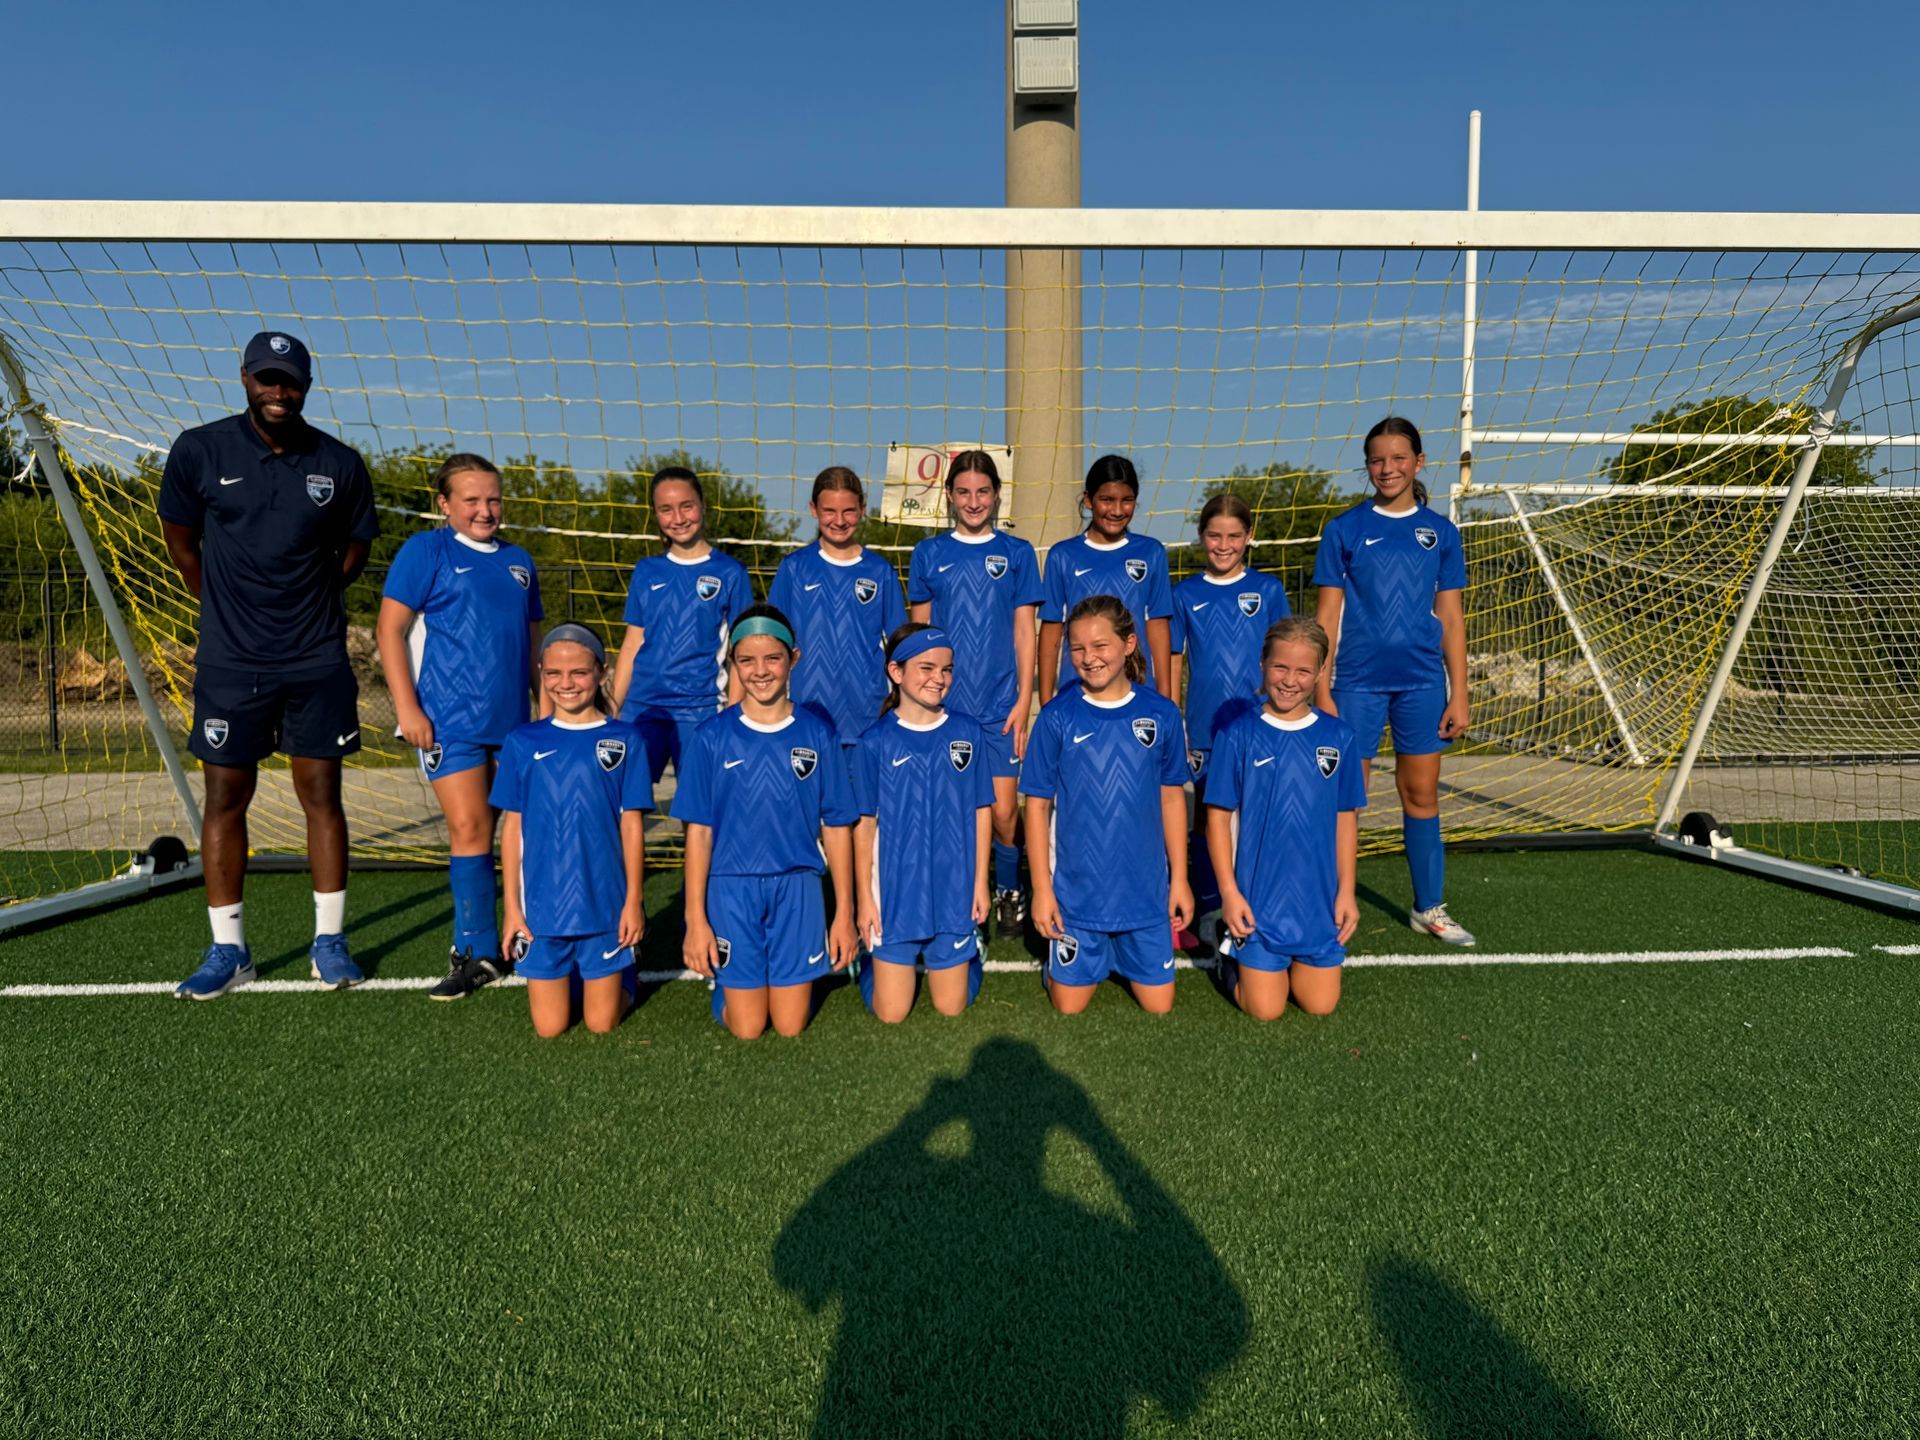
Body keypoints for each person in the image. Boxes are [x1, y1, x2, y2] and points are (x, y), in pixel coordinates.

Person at [159, 331, 379, 1000]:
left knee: (322, 796)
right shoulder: (199, 450)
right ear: (245, 377)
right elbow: (183, 545)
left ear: (307, 386)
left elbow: (356, 551)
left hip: (315, 659)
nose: (277, 392)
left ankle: (329, 943)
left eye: (289, 381)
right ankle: (230, 951)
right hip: (231, 662)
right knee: (227, 799)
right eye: (266, 379)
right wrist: (232, 610)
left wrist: (306, 604)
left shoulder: (339, 462)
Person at [377, 453, 544, 1001]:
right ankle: (472, 951)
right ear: (444, 503)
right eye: (470, 500)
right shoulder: (427, 551)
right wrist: (409, 709)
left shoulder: (520, 561)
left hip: (516, 724)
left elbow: (536, 646)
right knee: (471, 830)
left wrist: (546, 713)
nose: (484, 509)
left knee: (519, 834)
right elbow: (390, 631)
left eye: (493, 499)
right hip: (450, 721)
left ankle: (526, 936)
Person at [1313, 417, 1474, 946]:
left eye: (1399, 458)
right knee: (1343, 797)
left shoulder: (1440, 533)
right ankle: (1327, 905)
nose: (1388, 468)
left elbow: (1451, 619)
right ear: (1368, 466)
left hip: (1423, 685)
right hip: (1355, 684)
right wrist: (1321, 689)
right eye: (1378, 460)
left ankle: (1429, 906)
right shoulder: (1344, 530)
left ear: (1419, 463)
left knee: (1421, 794)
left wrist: (1460, 693)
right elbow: (1326, 619)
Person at [676, 606, 859, 1039]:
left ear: (793, 658)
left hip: (797, 887)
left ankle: (772, 971)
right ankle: (729, 986)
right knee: (749, 1027)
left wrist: (844, 913)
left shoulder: (817, 734)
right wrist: (695, 919)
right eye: (747, 660)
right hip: (731, 887)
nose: (760, 671)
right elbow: (698, 833)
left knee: (791, 1025)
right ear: (732, 664)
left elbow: (836, 825)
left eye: (772, 659)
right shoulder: (710, 737)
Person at [1022, 595, 1193, 1016]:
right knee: (1068, 1007)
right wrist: (1042, 892)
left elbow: (1172, 798)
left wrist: (1180, 880)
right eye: (1077, 648)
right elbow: (1038, 806)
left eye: (1101, 646)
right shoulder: (1057, 717)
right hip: (1078, 899)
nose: (1088, 658)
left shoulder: (1162, 714)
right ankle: (1077, 958)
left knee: (1159, 1006)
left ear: (1129, 644)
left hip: (1144, 897)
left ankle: (1126, 950)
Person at [492, 624, 651, 1038]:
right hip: (543, 909)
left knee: (601, 1024)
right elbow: (512, 829)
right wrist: (512, 907)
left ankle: (622, 977)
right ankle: (581, 974)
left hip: (605, 906)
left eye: (579, 673)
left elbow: (631, 826)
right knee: (550, 1028)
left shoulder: (625, 739)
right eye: (553, 674)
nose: (566, 683)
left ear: (602, 673)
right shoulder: (523, 741)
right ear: (541, 673)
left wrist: (634, 900)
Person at [1204, 617, 1366, 1020]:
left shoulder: (1339, 737)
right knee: (1265, 1010)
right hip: (1258, 905)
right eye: (1280, 667)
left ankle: (1291, 961)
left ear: (1320, 672)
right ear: (1263, 663)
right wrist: (1228, 892)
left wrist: (1347, 891)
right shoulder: (1237, 734)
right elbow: (1218, 817)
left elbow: (1346, 819)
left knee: (1320, 1005)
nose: (1289, 680)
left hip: (1317, 904)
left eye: (1303, 670)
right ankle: (1229, 954)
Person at [905, 451, 1040, 936]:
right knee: (949, 811)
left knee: (1005, 812)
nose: (974, 501)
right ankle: (959, 892)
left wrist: (1025, 700)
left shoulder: (1018, 553)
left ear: (997, 495)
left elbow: (1025, 633)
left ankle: (1008, 889)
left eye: (983, 491)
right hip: (945, 707)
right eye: (963, 492)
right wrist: (918, 698)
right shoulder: (930, 553)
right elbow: (917, 633)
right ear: (949, 496)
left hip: (1000, 706)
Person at [851, 625, 998, 1023]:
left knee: (951, 1007)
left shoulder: (967, 732)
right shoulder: (873, 742)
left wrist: (981, 882)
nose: (940, 679)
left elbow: (981, 809)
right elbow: (864, 826)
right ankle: (869, 962)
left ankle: (972, 949)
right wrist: (864, 899)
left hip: (953, 890)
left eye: (947, 670)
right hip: (896, 896)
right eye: (927, 668)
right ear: (896, 672)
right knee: (892, 1013)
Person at [1167, 492, 1291, 935]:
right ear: (1201, 537)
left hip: (1260, 727)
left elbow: (1285, 657)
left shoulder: (1268, 590)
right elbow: (1175, 661)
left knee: (1260, 815)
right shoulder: (1184, 594)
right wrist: (1175, 721)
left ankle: (1260, 905)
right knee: (1206, 818)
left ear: (1249, 537)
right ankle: (1209, 909)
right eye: (1214, 536)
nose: (1223, 545)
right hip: (1204, 729)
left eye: (1234, 536)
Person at [609, 464, 754, 796]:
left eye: (686, 506)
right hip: (643, 707)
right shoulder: (647, 570)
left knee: (701, 815)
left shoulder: (730, 573)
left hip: (701, 709)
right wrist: (615, 706)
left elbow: (740, 653)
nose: (678, 517)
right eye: (666, 509)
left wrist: (732, 714)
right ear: (656, 515)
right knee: (623, 806)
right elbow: (633, 643)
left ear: (702, 505)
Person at [766, 467, 906, 766]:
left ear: (863, 509)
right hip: (806, 715)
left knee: (864, 812)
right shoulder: (794, 569)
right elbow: (770, 643)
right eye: (829, 511)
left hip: (867, 715)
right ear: (813, 509)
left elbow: (901, 645)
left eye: (849, 511)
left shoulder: (879, 571)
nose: (840, 521)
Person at [1038, 454, 1174, 705]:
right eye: (1107, 500)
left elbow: (1157, 625)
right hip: (1076, 691)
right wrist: (1047, 700)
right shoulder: (1063, 555)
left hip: (1138, 691)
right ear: (1089, 500)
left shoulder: (1151, 552)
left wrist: (1165, 697)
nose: (1117, 510)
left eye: (1127, 500)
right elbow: (1052, 630)